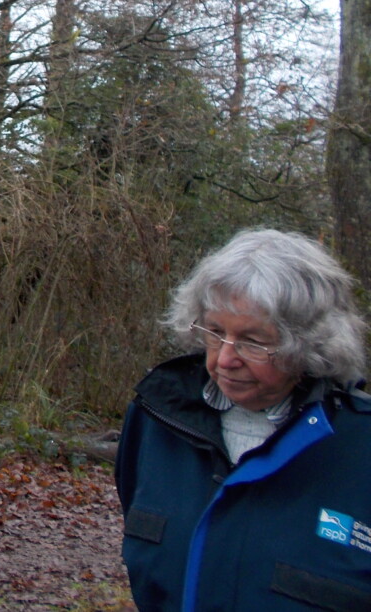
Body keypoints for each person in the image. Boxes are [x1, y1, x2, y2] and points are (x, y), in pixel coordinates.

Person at [115, 228, 371, 612]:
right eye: (215, 332)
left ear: (307, 345)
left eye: (253, 341)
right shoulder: (156, 419)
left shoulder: (359, 446)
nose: (224, 359)